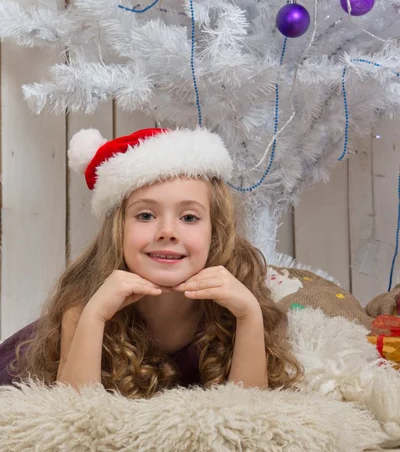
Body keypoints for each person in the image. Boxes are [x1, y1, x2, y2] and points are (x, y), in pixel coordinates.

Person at [0, 127, 302, 398]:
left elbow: (252, 418)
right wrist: (94, 317)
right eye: (145, 215)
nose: (168, 232)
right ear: (118, 230)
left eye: (189, 217)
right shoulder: (83, 306)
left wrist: (248, 315)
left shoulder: (237, 301)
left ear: (216, 230)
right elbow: (73, 419)